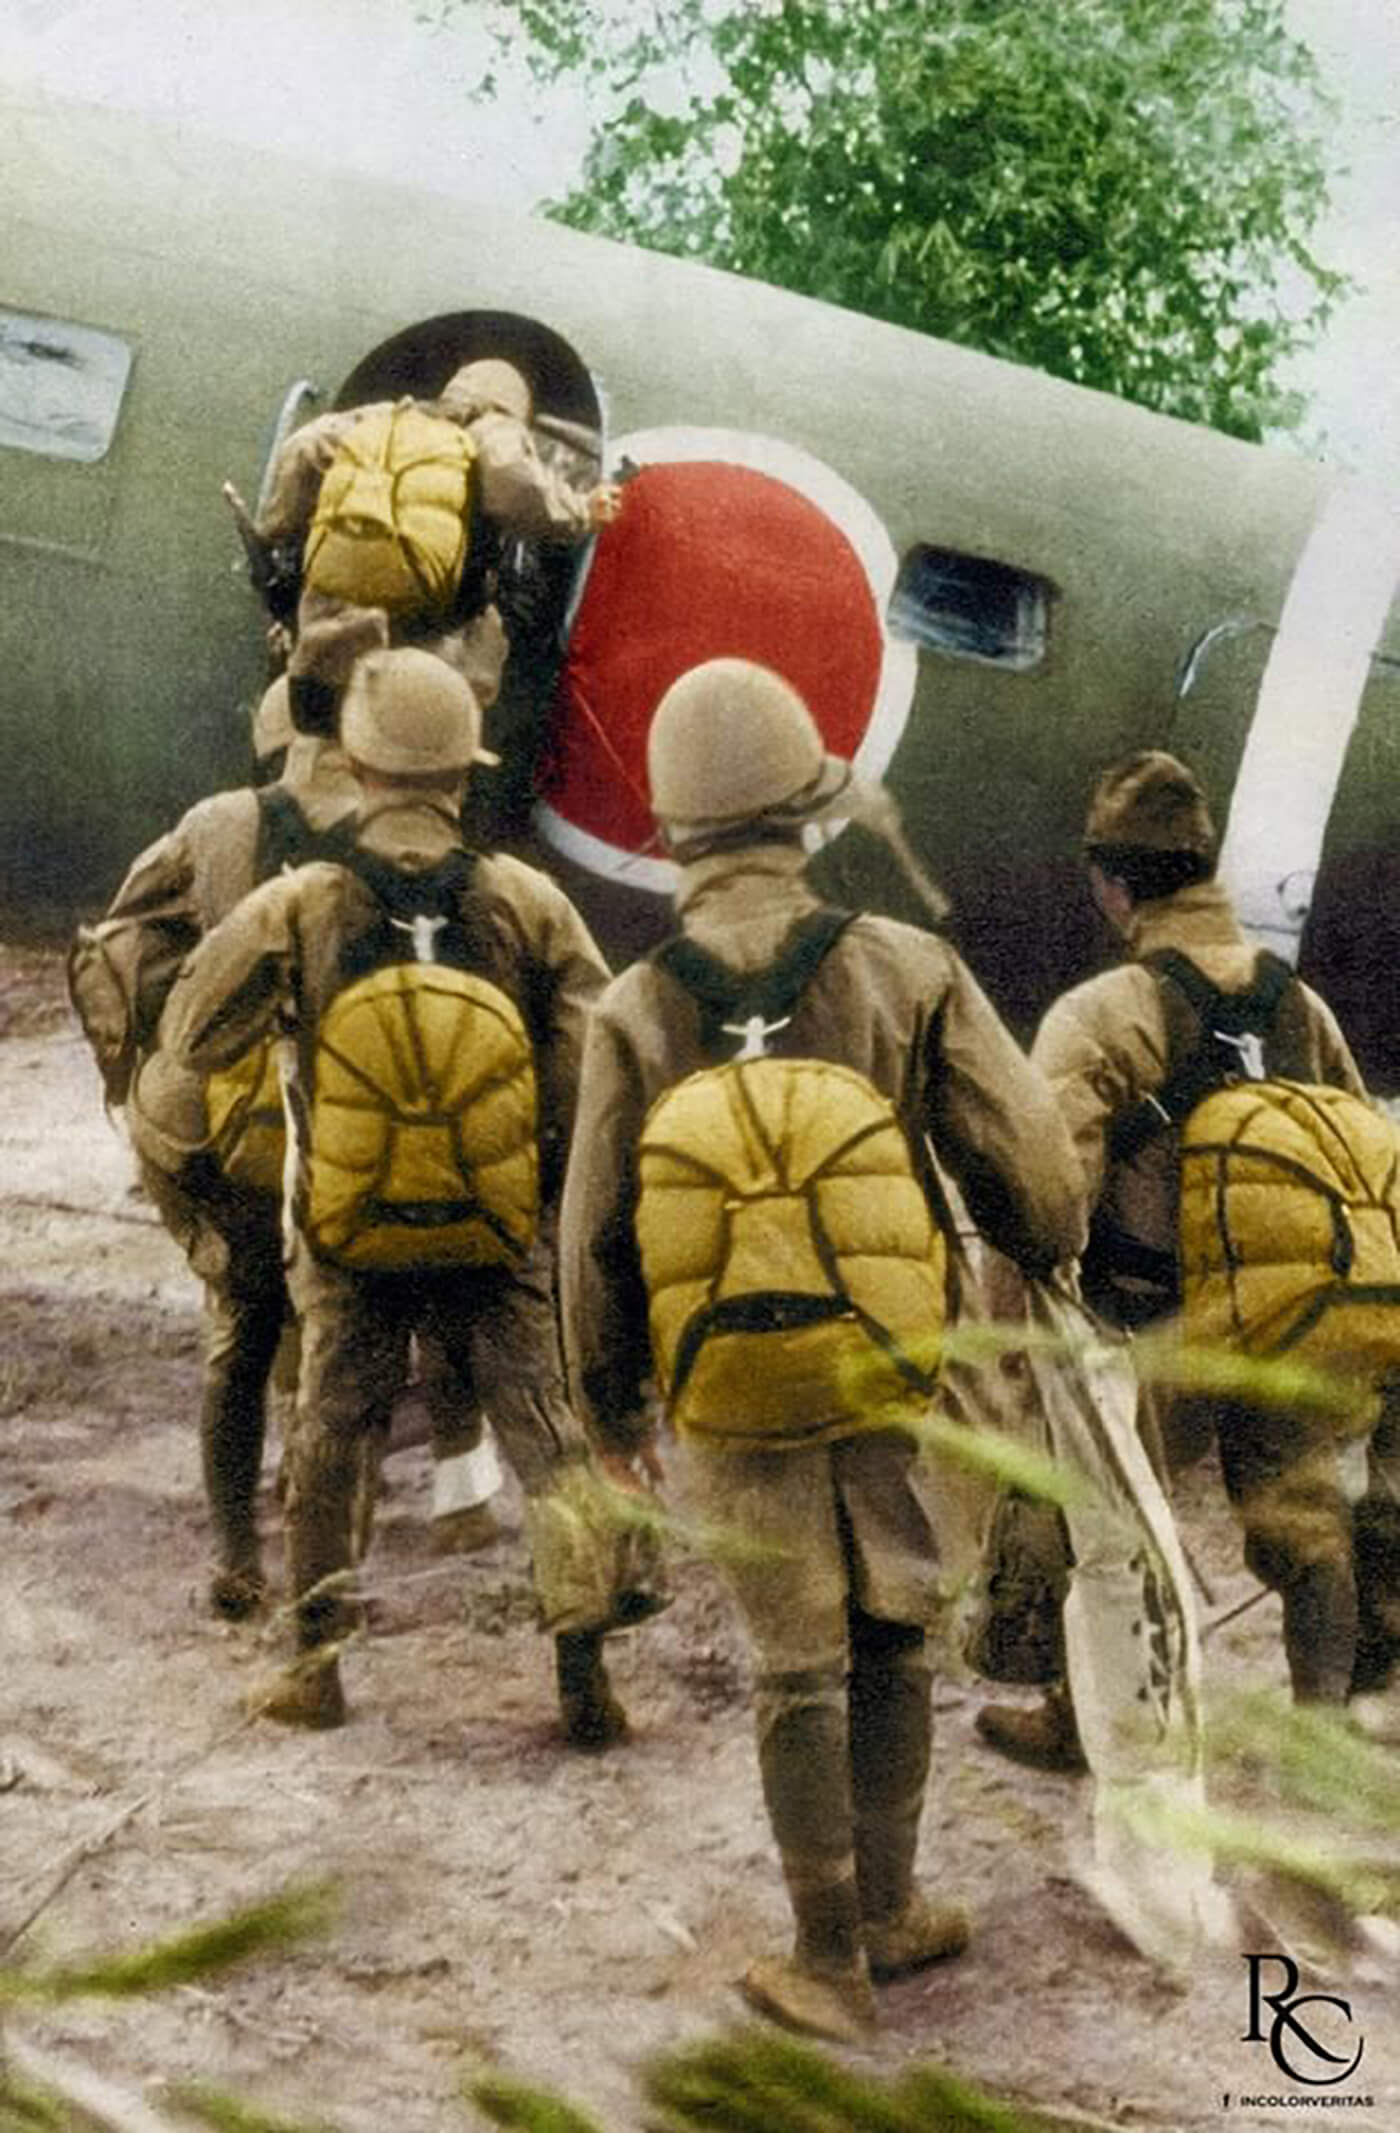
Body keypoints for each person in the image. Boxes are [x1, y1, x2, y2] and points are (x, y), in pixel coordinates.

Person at [559, 658, 1086, 2041]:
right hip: (896, 1363)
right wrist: (1037, 1247)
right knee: (891, 1624)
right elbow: (1036, 1177)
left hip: (728, 1388)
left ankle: (824, 1954)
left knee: (795, 1659)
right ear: (804, 809)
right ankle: (891, 1908)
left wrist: (609, 1406)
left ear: (673, 826)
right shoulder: (904, 966)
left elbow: (594, 1233)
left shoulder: (634, 1005)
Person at [159, 647, 654, 1741]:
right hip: (498, 1226)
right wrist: (526, 1162)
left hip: (349, 1232)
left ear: (356, 761)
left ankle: (316, 1673)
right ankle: (584, 1680)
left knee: (332, 1435)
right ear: (463, 773)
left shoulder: (305, 901)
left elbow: (193, 1034)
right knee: (542, 1429)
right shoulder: (525, 899)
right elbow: (595, 1057)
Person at [999, 749, 1398, 1718]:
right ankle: (1323, 1730)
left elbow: (1049, 1198)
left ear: (1110, 885)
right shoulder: (1299, 1006)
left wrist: (1018, 1339)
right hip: (1290, 1313)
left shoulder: (1099, 1014)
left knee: (1098, 1519)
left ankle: (1077, 1721)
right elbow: (1361, 1154)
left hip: (1156, 1324)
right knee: (1305, 1525)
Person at [68, 664, 370, 1620]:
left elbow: (118, 939)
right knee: (347, 1348)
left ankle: (238, 1556)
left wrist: (159, 1047)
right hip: (351, 1131)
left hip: (230, 1131)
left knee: (240, 1333)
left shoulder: (217, 822)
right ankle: (329, 1572)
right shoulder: (400, 837)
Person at [252, 357, 621, 734]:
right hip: (425, 611)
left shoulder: (388, 414)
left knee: (318, 596)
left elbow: (302, 448)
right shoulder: (494, 428)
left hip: (337, 588)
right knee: (490, 641)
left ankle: (293, 674)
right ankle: (459, 730)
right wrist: (582, 511)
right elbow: (514, 487)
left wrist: (276, 529)